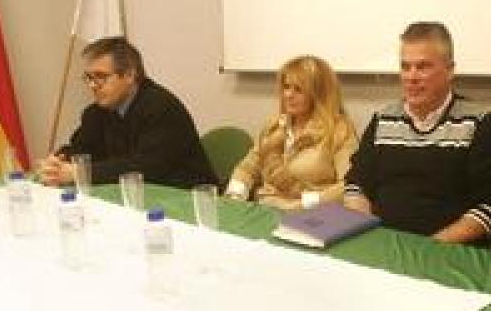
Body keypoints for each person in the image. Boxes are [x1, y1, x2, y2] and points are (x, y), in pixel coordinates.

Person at [343, 21, 491, 244]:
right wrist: (365, 232)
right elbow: (356, 184)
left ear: (450, 70)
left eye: (423, 67)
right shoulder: (383, 119)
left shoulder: (480, 124)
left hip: (445, 251)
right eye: (405, 67)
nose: (411, 77)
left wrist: (428, 248)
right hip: (382, 245)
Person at [38, 37, 217, 189]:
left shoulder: (161, 107)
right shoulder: (96, 112)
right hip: (135, 196)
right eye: (89, 78)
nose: (92, 85)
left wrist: (79, 172)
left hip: (185, 197)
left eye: (101, 77)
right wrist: (58, 162)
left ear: (130, 75)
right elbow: (81, 149)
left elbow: (144, 168)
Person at [225, 55, 358, 210]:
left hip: (312, 214)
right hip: (267, 208)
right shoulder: (274, 126)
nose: (288, 95)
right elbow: (247, 169)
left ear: (318, 94)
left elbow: (349, 186)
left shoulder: (339, 130)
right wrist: (234, 198)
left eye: (298, 89)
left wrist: (302, 204)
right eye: (286, 87)